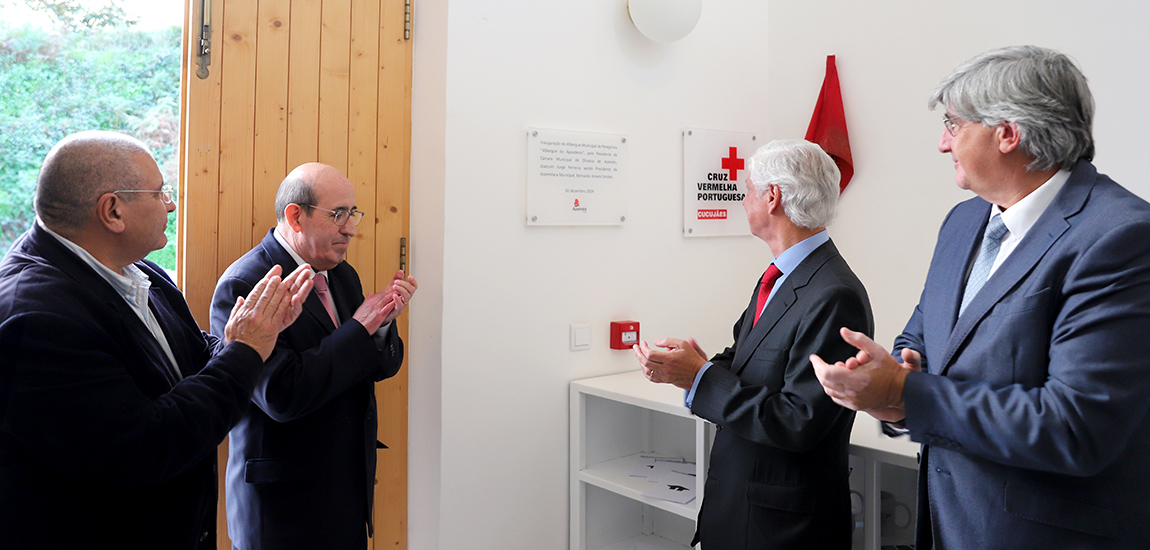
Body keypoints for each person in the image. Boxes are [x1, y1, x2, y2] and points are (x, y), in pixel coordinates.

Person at [812, 45, 1150, 549]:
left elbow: (1075, 427)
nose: (942, 143)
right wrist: (892, 388)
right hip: (949, 523)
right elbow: (923, 341)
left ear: (1007, 133)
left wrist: (905, 394)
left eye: (953, 124)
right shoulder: (963, 220)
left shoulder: (1121, 236)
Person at [0, 130, 313, 549]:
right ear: (113, 211)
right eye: (159, 192)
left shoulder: (139, 271)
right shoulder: (38, 318)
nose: (170, 204)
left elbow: (196, 355)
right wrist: (245, 350)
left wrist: (251, 334)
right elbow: (147, 447)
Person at [635, 139, 873, 549]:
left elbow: (797, 421)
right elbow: (742, 360)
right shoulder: (781, 275)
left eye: (747, 190)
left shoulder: (834, 294)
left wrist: (701, 378)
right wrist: (688, 368)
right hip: (741, 508)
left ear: (772, 197)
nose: (743, 200)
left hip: (782, 529)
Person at [210, 162, 416, 550]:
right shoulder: (246, 283)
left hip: (346, 497)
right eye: (338, 214)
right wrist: (360, 328)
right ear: (295, 216)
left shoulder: (343, 274)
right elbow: (280, 394)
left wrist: (381, 325)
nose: (351, 229)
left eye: (353, 213)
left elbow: (376, 367)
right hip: (283, 511)